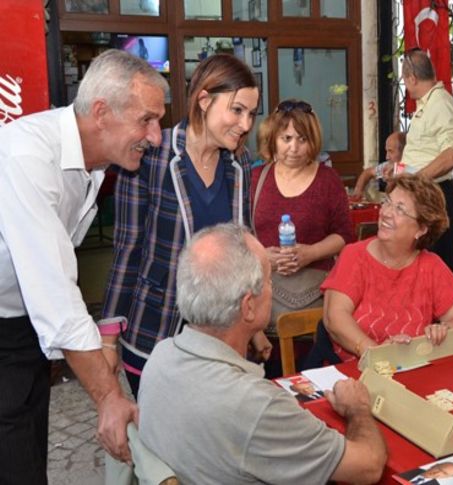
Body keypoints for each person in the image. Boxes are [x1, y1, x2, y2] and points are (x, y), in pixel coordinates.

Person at [0, 49, 167, 480]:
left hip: (20, 322)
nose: (156, 137)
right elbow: (56, 295)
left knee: (29, 446)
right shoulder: (27, 156)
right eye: (146, 120)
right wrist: (109, 397)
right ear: (101, 113)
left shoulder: (93, 164)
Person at [138, 223, 387, 484]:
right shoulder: (256, 405)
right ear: (248, 307)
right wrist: (358, 410)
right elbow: (368, 466)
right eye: (270, 280)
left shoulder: (160, 357)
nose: (272, 287)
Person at [101, 53, 261, 398]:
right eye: (237, 110)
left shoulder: (239, 162)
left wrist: (254, 322)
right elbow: (128, 247)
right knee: (164, 439)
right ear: (204, 100)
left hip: (220, 335)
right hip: (156, 327)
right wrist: (108, 337)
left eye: (251, 113)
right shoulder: (152, 155)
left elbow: (243, 241)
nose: (246, 124)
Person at [322, 174, 453, 361]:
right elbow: (335, 318)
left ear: (421, 229)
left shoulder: (430, 266)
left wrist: (445, 328)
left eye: (400, 210)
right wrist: (379, 354)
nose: (386, 212)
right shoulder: (355, 256)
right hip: (352, 372)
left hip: (409, 370)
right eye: (387, 202)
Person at [253, 99, 353, 329]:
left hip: (315, 296)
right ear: (273, 140)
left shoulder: (328, 180)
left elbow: (345, 235)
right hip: (264, 294)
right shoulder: (255, 179)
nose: (294, 148)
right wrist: (262, 257)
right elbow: (239, 234)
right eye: (286, 139)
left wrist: (311, 253)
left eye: (302, 139)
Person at [400, 48, 453, 274]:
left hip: (435, 193)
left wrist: (415, 179)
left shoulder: (441, 104)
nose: (406, 87)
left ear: (412, 78)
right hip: (421, 192)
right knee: (418, 264)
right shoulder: (426, 104)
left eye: (405, 81)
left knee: (436, 266)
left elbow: (451, 156)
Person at [351, 131, 406, 200]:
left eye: (390, 151)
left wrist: (392, 180)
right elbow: (368, 172)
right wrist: (358, 190)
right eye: (387, 151)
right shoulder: (388, 166)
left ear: (404, 152)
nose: (387, 157)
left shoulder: (410, 170)